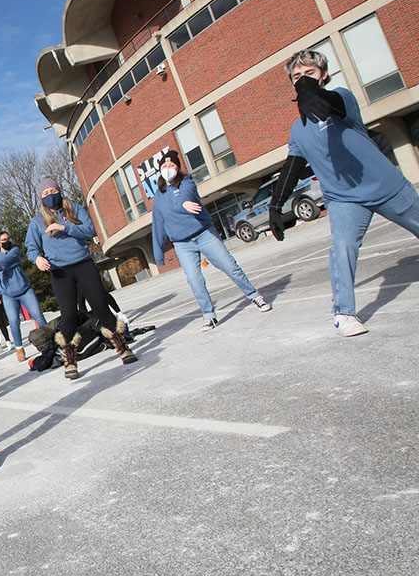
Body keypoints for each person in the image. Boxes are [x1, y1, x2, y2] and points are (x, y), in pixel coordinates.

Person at [268, 49, 419, 336]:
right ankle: (344, 314)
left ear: (323, 75)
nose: (302, 82)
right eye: (296, 77)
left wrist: (315, 93)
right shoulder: (298, 129)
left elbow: (333, 104)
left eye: (309, 74)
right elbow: (292, 166)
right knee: (343, 249)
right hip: (344, 199)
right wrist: (275, 206)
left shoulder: (342, 98)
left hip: (386, 186)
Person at [26, 178, 139, 379]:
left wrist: (65, 228)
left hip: (83, 265)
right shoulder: (37, 221)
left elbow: (90, 230)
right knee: (69, 316)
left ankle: (122, 347)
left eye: (53, 190)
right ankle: (70, 359)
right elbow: (31, 247)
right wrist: (37, 259)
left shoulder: (74, 209)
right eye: (45, 194)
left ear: (59, 191)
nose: (50, 195)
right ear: (41, 199)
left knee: (100, 306)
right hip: (60, 272)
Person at [151, 152, 272, 333]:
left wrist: (184, 203)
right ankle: (209, 315)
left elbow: (188, 194)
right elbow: (158, 224)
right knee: (194, 280)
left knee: (230, 266)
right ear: (159, 170)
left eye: (172, 166)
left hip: (204, 234)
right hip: (182, 244)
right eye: (164, 167)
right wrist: (158, 255)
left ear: (178, 167)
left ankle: (254, 295)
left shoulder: (187, 182)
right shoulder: (158, 196)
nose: (168, 170)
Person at [0, 230, 47, 362]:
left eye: (8, 239)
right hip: (8, 295)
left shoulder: (14, 251)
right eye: (4, 240)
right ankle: (19, 348)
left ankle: (48, 341)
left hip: (25, 290)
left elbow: (6, 261)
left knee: (38, 316)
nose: (7, 242)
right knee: (14, 322)